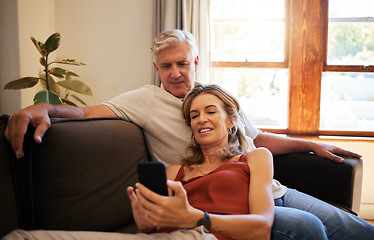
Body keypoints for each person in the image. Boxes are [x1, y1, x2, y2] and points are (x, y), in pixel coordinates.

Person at [4, 29, 373, 239]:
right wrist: (43, 107)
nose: (176, 72)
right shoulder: (146, 100)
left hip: (271, 188)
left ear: (195, 61)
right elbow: (84, 111)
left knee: (351, 228)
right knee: (308, 230)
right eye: (167, 66)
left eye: (183, 63)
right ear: (157, 68)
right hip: (226, 200)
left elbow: (257, 139)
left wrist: (311, 145)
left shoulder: (217, 97)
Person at [3, 84, 274, 240]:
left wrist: (198, 219)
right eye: (194, 115)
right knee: (21, 237)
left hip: (205, 236)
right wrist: (146, 222)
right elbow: (151, 228)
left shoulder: (255, 159)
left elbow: (262, 228)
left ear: (231, 122)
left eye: (210, 112)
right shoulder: (173, 171)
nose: (201, 119)